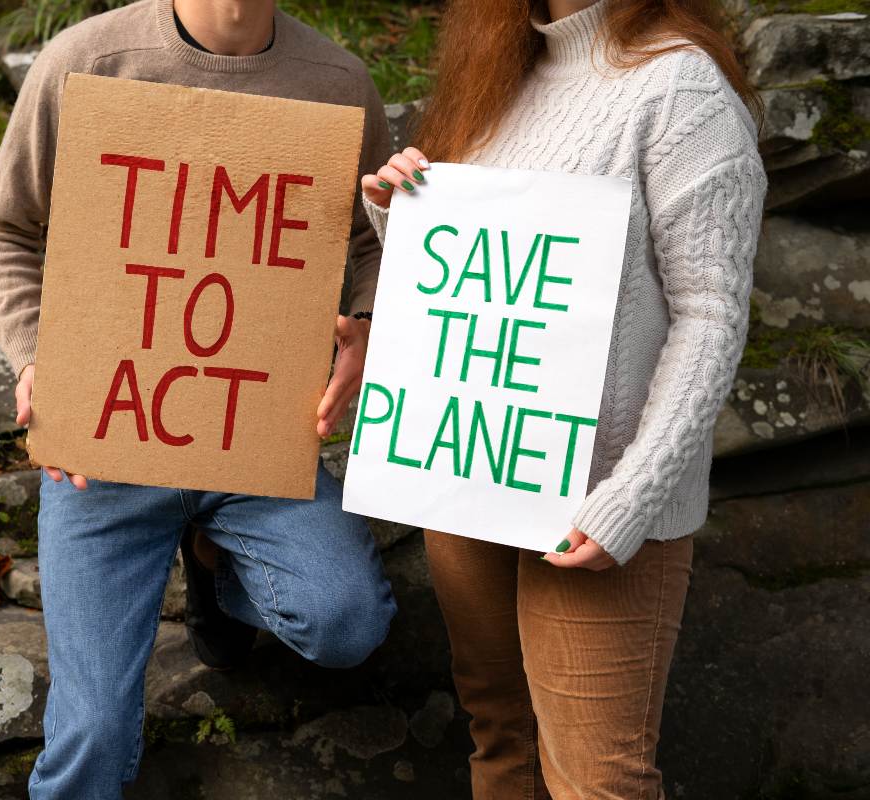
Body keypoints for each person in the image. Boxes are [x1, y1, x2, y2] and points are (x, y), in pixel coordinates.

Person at [0, 0, 396, 796]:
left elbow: (371, 235)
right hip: (105, 447)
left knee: (348, 622)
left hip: (255, 442)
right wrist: (36, 357)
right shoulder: (84, 61)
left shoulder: (336, 82)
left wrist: (366, 321)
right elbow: (1, 228)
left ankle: (217, 572)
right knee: (92, 731)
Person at [363, 0, 765, 796]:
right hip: (470, 480)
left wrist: (632, 498)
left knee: (595, 783)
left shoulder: (679, 87)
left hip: (596, 511)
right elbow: (479, 289)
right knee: (499, 739)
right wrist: (403, 216)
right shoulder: (497, 73)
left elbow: (711, 316)